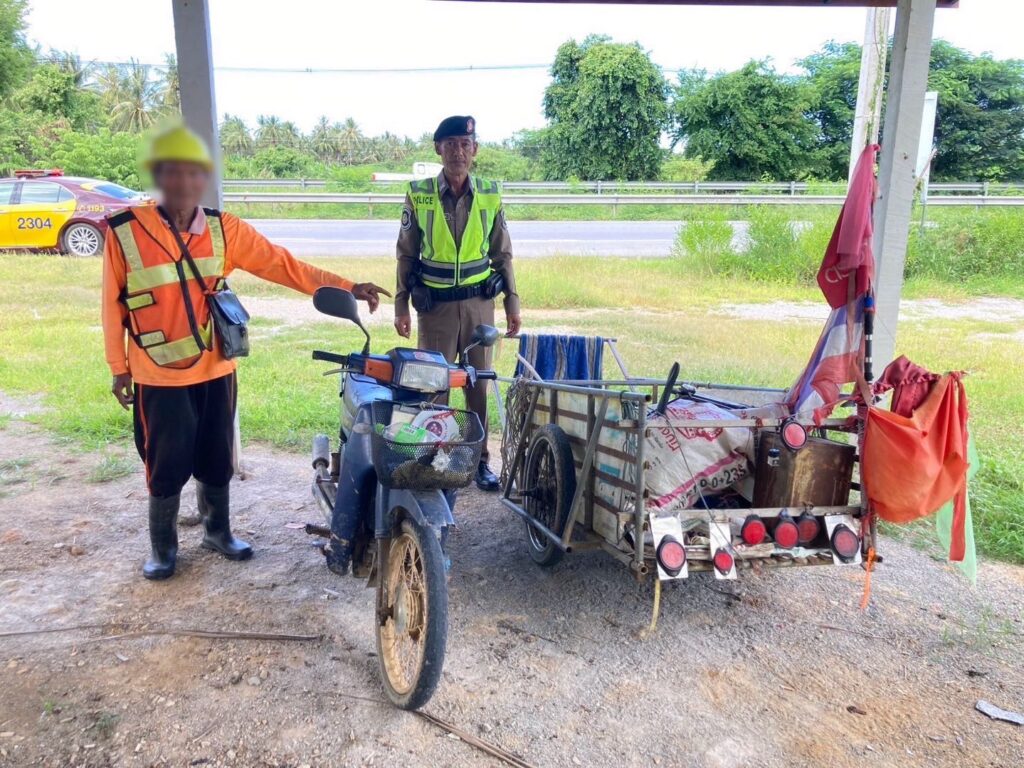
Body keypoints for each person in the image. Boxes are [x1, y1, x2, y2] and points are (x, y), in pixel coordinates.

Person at [102, 122, 389, 581]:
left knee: (217, 456)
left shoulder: (223, 229)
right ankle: (163, 547)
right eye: (173, 172)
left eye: (193, 173)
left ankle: (218, 531)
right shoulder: (125, 232)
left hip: (215, 366)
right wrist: (119, 367)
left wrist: (348, 286)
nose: (184, 183)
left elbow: (283, 265)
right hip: (157, 373)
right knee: (164, 462)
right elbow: (112, 305)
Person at [394, 115, 520, 491]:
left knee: (477, 385)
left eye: (465, 145)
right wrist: (401, 305)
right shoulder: (419, 193)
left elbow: (503, 254)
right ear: (438, 149)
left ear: (475, 149)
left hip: (480, 305)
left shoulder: (490, 193)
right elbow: (405, 254)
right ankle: (438, 460)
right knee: (434, 385)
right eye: (450, 144)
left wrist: (512, 302)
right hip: (435, 310)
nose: (458, 152)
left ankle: (479, 461)